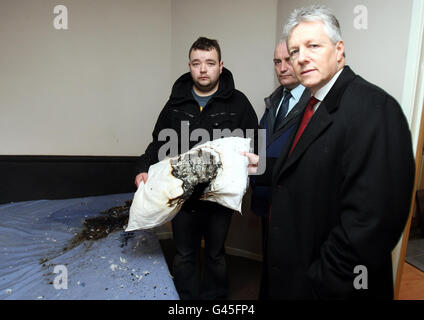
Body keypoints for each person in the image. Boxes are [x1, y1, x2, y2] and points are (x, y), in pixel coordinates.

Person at [245, 5, 415, 299]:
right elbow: (310, 168)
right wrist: (263, 166)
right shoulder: (311, 105)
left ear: (339, 50)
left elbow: (371, 223)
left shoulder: (375, 109)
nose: (301, 58)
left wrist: (319, 283)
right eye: (295, 50)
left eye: (313, 46)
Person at [134, 37, 258, 300]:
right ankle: (185, 302)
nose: (203, 69)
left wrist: (246, 178)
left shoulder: (239, 103)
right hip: (182, 196)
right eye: (197, 63)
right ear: (189, 66)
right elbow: (158, 141)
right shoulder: (176, 102)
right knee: (185, 255)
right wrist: (143, 167)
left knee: (215, 254)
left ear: (220, 66)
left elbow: (255, 145)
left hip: (218, 200)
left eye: (210, 63)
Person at [249, 40, 309, 298]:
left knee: (292, 275)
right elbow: (262, 143)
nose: (283, 68)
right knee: (271, 267)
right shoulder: (274, 101)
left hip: (293, 206)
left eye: (289, 60)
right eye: (277, 61)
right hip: (267, 200)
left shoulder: (314, 104)